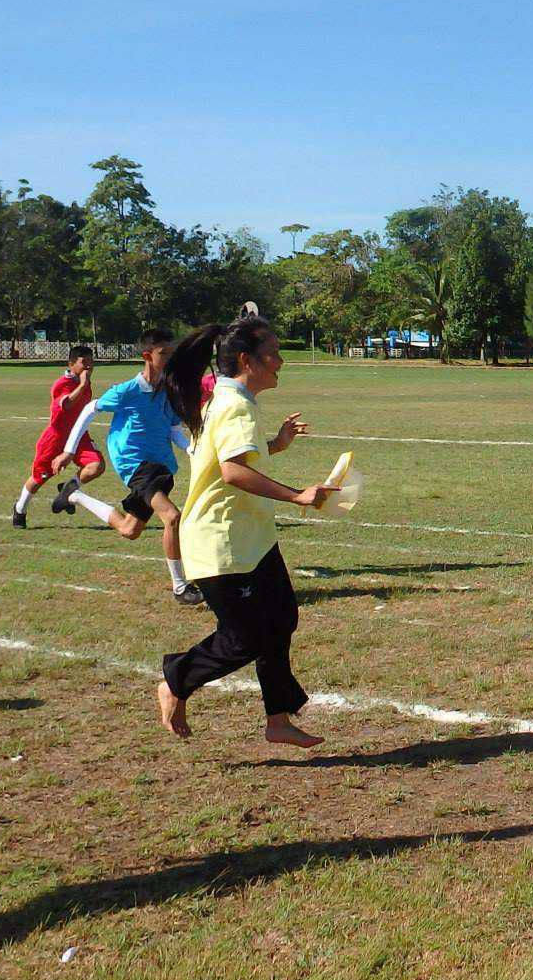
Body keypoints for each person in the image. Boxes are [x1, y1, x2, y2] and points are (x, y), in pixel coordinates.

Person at [152, 317, 334, 746]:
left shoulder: (229, 400)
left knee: (281, 619)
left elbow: (228, 457)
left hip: (252, 539)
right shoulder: (235, 405)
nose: (281, 361)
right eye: (273, 353)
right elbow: (233, 472)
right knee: (244, 640)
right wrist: (297, 496)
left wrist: (275, 445)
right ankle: (176, 679)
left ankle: (278, 720)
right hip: (222, 544)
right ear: (246, 360)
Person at [54, 328, 202, 606]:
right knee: (172, 517)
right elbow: (89, 409)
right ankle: (180, 587)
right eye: (164, 353)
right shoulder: (127, 391)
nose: (170, 358)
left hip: (162, 466)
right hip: (136, 465)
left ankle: (75, 495)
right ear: (147, 356)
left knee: (129, 530)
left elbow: (173, 429)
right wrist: (68, 451)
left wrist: (193, 450)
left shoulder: (167, 391)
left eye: (172, 353)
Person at [13, 346, 102, 529]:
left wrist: (84, 384)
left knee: (96, 466)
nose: (89, 366)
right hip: (55, 439)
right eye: (84, 362)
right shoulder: (63, 384)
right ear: (71, 364)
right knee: (39, 478)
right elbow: (66, 404)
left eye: (91, 362)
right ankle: (20, 509)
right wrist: (82, 385)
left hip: (79, 436)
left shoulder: (85, 382)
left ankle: (67, 488)